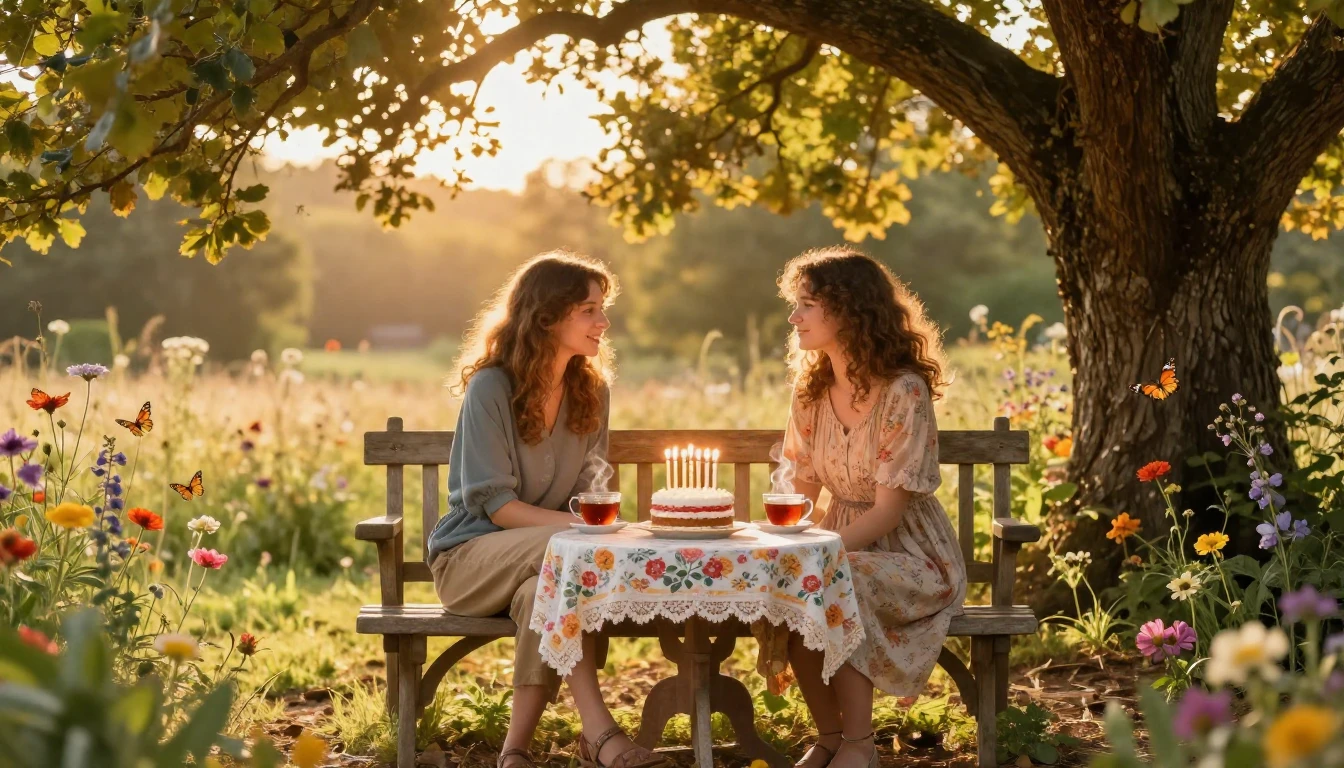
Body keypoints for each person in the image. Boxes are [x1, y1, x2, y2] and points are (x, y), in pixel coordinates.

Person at [426, 251, 665, 768]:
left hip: (550, 565)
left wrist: (597, 522)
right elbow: (500, 507)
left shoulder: (591, 391)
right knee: (565, 559)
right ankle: (600, 736)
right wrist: (596, 530)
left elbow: (590, 490)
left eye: (602, 309)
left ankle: (514, 752)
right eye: (589, 310)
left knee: (545, 595)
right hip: (469, 560)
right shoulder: (493, 387)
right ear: (546, 317)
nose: (603, 322)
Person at [767, 246, 967, 768]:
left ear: (850, 310)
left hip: (913, 557)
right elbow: (801, 488)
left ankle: (861, 744)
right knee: (793, 584)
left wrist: (819, 555)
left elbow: (888, 513)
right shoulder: (810, 394)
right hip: (840, 543)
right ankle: (831, 736)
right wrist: (781, 543)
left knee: (837, 579)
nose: (794, 317)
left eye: (807, 304)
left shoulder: (904, 390)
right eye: (796, 304)